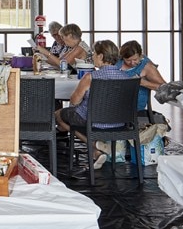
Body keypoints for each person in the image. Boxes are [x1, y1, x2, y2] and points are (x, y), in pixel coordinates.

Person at [55, 40, 130, 170]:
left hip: (93, 121)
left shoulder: (90, 77)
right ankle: (96, 151)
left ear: (101, 56)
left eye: (94, 54)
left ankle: (95, 145)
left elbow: (74, 101)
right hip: (119, 123)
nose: (92, 57)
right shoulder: (127, 78)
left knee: (58, 115)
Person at [118, 40, 167, 116]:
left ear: (140, 56)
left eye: (135, 59)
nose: (132, 63)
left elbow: (165, 87)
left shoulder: (146, 67)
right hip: (114, 101)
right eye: (128, 60)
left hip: (134, 105)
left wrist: (142, 82)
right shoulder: (117, 63)